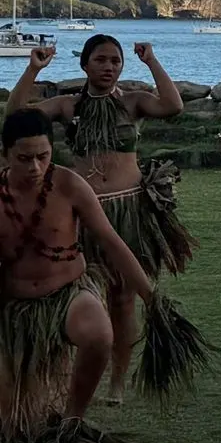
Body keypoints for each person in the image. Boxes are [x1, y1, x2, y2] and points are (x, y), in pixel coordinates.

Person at [0, 109, 207, 443]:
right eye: (24, 159)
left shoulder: (68, 185)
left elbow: (112, 242)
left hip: (67, 293)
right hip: (11, 306)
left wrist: (151, 296)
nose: (35, 167)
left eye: (43, 156)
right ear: (5, 154)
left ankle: (72, 423)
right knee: (12, 428)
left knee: (99, 333)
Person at [7, 37, 187, 405]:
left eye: (115, 61)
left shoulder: (132, 102)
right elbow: (15, 115)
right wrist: (33, 68)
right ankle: (70, 372)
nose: (108, 67)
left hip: (128, 209)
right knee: (75, 292)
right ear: (84, 65)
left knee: (121, 298)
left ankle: (117, 381)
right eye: (101, 60)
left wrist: (152, 61)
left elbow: (173, 105)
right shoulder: (67, 106)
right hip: (80, 213)